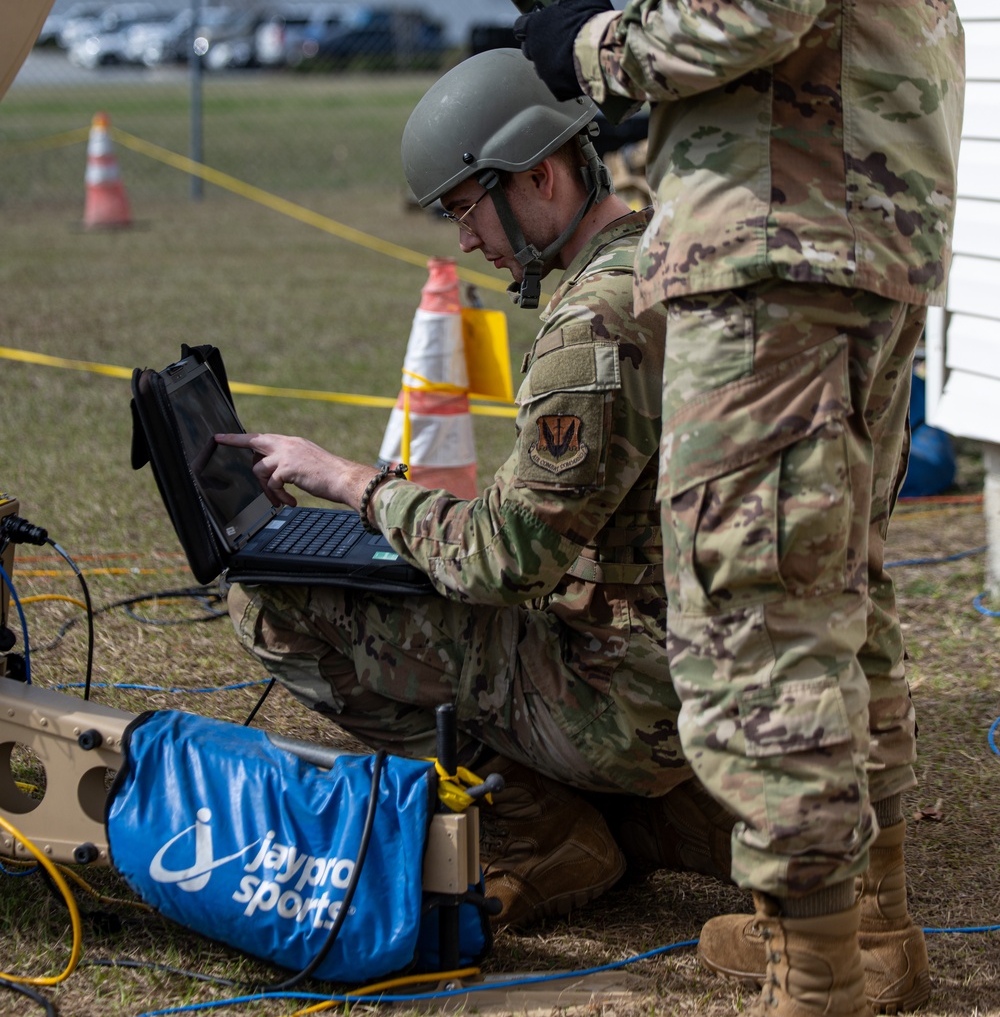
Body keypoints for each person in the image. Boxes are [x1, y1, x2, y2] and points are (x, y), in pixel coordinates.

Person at [517, 0, 964, 1016]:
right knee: (844, 595)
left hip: (769, 252)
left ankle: (815, 975)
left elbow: (747, 5)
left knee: (752, 610)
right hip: (876, 244)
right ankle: (868, 935)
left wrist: (590, 45)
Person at [219, 49, 731, 929]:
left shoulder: (594, 327)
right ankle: (659, 818)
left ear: (538, 175)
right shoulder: (668, 250)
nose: (464, 239)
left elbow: (506, 561)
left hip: (633, 696)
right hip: (708, 665)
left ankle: (543, 827)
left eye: (467, 209)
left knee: (267, 598)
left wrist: (354, 482)